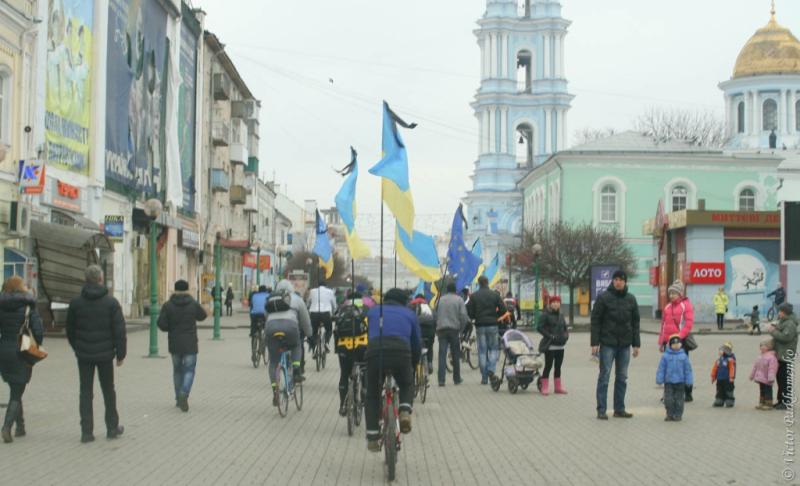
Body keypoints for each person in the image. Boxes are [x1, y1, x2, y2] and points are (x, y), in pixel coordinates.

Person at [66, 265, 126, 443]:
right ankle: (112, 428)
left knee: (85, 391)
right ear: (100, 279)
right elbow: (119, 330)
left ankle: (86, 432)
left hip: (84, 354)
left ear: (86, 280)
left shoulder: (76, 303)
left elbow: (70, 329)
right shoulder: (111, 303)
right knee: (108, 390)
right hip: (105, 355)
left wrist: (77, 347)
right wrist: (120, 354)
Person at [364, 289, 421, 452]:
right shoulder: (410, 314)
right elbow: (416, 343)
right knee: (406, 383)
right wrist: (414, 363)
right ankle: (404, 410)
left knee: (373, 393)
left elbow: (368, 334)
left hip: (376, 353)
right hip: (401, 353)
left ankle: (373, 437)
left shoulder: (374, 312)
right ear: (404, 301)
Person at [590, 269, 640, 420]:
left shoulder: (631, 299)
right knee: (604, 376)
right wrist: (594, 342)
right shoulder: (604, 298)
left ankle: (619, 409)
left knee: (622, 377)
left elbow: (635, 323)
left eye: (621, 280)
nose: (618, 282)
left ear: (625, 282)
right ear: (612, 281)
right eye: (616, 279)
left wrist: (636, 344)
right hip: (607, 344)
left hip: (624, 345)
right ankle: (601, 410)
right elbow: (596, 320)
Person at [0, 276, 43, 443]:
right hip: (21, 350)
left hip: (3, 349)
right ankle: (6, 427)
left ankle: (21, 426)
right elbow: (38, 331)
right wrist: (38, 344)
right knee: (17, 392)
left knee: (14, 388)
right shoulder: (28, 306)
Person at [157, 279, 208, 412]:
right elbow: (203, 316)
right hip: (190, 342)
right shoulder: (192, 303)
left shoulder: (168, 305)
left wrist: (170, 327)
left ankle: (178, 399)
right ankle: (183, 394)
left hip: (174, 342)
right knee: (189, 370)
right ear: (187, 290)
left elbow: (161, 324)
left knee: (177, 370)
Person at [265, 280, 312, 406]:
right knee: (296, 345)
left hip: (271, 328)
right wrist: (309, 334)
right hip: (290, 328)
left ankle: (275, 390)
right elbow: (305, 320)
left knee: (274, 361)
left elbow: (266, 316)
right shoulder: (296, 299)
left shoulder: (271, 299)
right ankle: (296, 369)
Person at [657, 280, 695, 401]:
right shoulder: (667, 307)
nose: (672, 295)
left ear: (680, 294)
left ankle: (687, 392)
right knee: (669, 367)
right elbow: (663, 325)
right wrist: (662, 342)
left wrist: (679, 337)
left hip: (681, 342)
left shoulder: (686, 305)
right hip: (669, 343)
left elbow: (688, 324)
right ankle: (668, 393)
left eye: (674, 293)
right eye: (670, 293)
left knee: (683, 366)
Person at [333, 292, 368, 416]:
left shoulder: (341, 310)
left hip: (344, 347)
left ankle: (343, 404)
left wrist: (337, 349)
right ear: (361, 299)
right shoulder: (366, 309)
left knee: (344, 374)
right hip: (362, 347)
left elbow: (336, 330)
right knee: (365, 372)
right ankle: (365, 397)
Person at [467, 276, 507, 385]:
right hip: (493, 324)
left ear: (479, 284)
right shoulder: (495, 295)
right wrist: (495, 316)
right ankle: (491, 369)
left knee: (482, 351)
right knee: (494, 349)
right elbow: (504, 309)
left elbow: (469, 311)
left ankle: (484, 378)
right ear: (488, 282)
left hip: (480, 325)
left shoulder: (474, 296)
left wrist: (475, 316)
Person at [434, 282, 469, 387]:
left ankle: (441, 379)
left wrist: (437, 326)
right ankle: (456, 378)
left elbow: (434, 314)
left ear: (447, 289)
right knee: (455, 354)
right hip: (454, 329)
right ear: (455, 290)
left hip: (442, 329)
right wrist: (461, 329)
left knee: (442, 354)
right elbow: (463, 316)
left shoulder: (440, 300)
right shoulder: (459, 300)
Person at [656, 334, 693, 422]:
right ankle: (669, 414)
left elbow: (688, 370)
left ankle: (678, 414)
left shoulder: (684, 356)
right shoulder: (665, 356)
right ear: (670, 345)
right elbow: (661, 369)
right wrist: (659, 379)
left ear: (681, 345)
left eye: (678, 344)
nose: (676, 346)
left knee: (679, 399)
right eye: (674, 344)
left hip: (680, 381)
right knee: (668, 399)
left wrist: (689, 381)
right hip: (669, 381)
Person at [768, 303, 798, 410]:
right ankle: (780, 400)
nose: (778, 313)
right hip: (780, 355)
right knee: (780, 379)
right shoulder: (784, 321)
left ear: (785, 312)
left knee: (785, 380)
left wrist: (773, 331)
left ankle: (786, 402)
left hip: (786, 356)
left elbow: (785, 338)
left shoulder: (790, 324)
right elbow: (780, 330)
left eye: (780, 311)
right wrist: (775, 327)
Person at [538, 296, 569, 395]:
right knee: (548, 366)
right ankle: (545, 387)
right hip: (550, 345)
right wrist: (550, 336)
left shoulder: (561, 315)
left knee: (558, 366)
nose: (556, 304)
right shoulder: (545, 315)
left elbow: (565, 327)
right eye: (554, 302)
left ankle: (558, 387)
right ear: (550, 304)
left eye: (558, 302)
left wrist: (566, 336)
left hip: (560, 345)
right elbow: (539, 327)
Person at [307, 280, 337, 356]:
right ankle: (326, 342)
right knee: (329, 330)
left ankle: (314, 348)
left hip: (314, 313)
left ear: (318, 285)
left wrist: (309, 308)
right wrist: (333, 312)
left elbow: (308, 302)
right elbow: (334, 304)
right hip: (326, 313)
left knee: (314, 332)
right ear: (325, 285)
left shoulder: (312, 291)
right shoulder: (330, 291)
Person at [750, 338, 779, 410]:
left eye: (764, 346)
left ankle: (768, 404)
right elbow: (755, 367)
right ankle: (762, 403)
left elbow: (772, 368)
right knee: (762, 391)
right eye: (761, 346)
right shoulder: (760, 356)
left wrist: (771, 377)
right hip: (760, 378)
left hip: (767, 378)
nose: (762, 347)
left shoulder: (771, 357)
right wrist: (752, 375)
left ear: (769, 347)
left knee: (768, 391)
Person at [409, 294, 436, 373]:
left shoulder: (411, 306)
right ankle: (430, 362)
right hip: (429, 332)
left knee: (414, 349)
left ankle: (413, 367)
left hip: (417, 332)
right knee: (429, 347)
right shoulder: (430, 307)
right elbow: (435, 320)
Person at [711, 342, 736, 408]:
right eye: (719, 350)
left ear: (726, 351)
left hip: (727, 379)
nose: (719, 352)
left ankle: (729, 400)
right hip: (719, 378)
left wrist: (731, 377)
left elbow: (732, 369)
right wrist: (713, 376)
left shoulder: (730, 360)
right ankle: (719, 400)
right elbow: (715, 368)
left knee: (728, 390)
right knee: (719, 389)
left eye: (721, 350)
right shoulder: (719, 360)